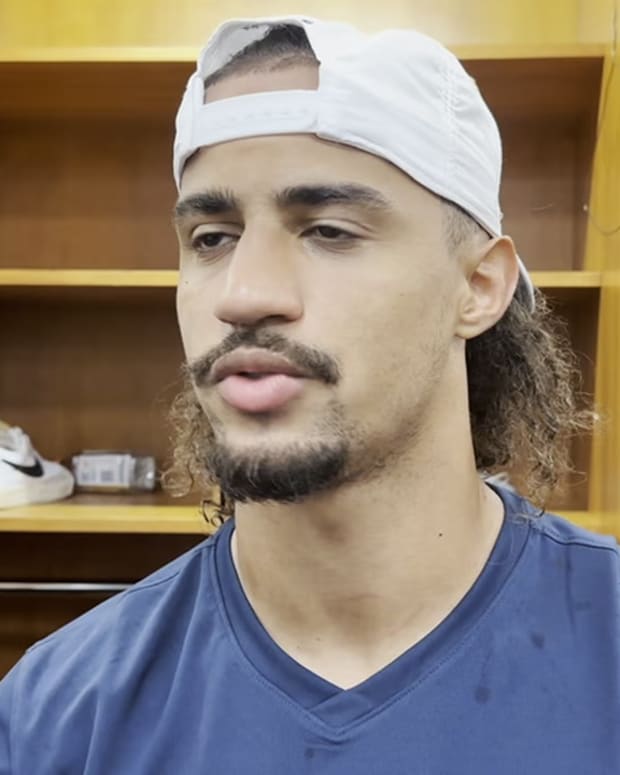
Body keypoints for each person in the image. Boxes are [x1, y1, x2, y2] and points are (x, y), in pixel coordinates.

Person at [1, 15, 618, 774]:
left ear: (479, 286)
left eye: (328, 229)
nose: (244, 293)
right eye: (211, 238)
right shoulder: (57, 713)